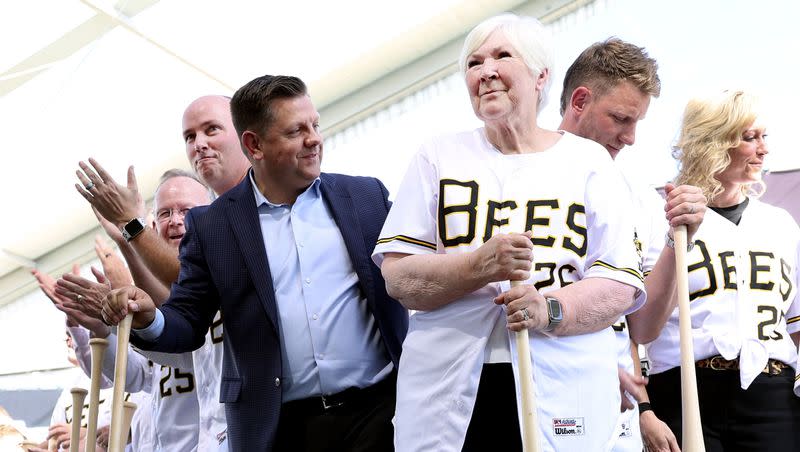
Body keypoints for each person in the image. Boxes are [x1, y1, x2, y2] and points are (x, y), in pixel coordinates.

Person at [374, 14, 645, 451]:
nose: (486, 71)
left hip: (563, 381)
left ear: (541, 77)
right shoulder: (438, 156)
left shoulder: (589, 162)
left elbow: (619, 284)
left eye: (502, 56)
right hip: (454, 381)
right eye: (473, 63)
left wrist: (549, 310)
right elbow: (399, 278)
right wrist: (478, 264)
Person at [102, 75, 408, 451]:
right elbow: (187, 321)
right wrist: (149, 317)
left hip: (381, 417)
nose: (314, 139)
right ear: (255, 144)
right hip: (280, 430)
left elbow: (420, 263)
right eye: (296, 131)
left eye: (315, 125)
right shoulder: (214, 226)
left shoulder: (364, 197)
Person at [73, 95, 247, 450]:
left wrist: (129, 231)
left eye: (188, 211)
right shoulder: (180, 286)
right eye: (165, 213)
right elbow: (162, 339)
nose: (177, 221)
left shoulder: (241, 233)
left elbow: (180, 293)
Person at [558, 38, 707, 452]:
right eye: (621, 118)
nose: (631, 137)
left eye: (637, 122)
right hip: (547, 396)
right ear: (580, 100)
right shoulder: (523, 176)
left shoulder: (637, 196)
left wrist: (681, 238)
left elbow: (642, 327)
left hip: (615, 414)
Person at [645, 90, 800, 450]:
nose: (763, 149)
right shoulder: (659, 217)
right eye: (749, 138)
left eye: (764, 137)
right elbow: (640, 327)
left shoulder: (780, 224)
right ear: (713, 142)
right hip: (685, 392)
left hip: (771, 393)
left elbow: (796, 326)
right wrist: (645, 408)